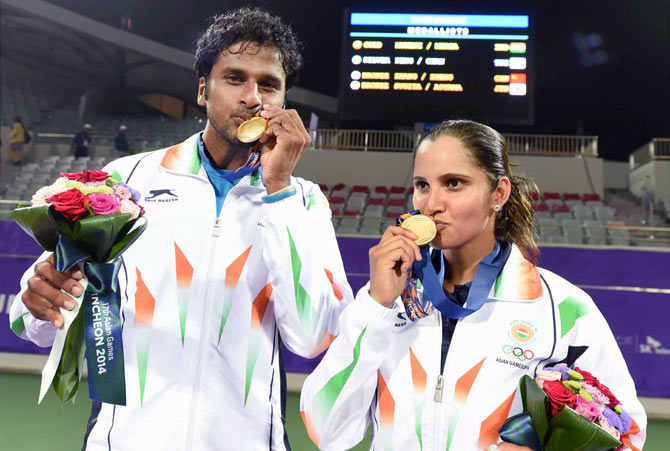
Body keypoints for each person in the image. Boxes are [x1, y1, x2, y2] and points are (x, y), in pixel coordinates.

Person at [10, 7, 352, 450]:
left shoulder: (302, 201)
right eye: (234, 78)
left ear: (284, 98)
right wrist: (37, 298)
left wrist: (278, 189)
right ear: (203, 89)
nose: (252, 97)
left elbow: (312, 338)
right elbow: (29, 321)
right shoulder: (125, 181)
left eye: (268, 84)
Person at [300, 120, 646, 451]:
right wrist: (376, 307)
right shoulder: (387, 301)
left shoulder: (563, 308)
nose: (431, 204)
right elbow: (326, 432)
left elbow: (626, 434)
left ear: (499, 193)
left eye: (453, 183)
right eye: (422, 184)